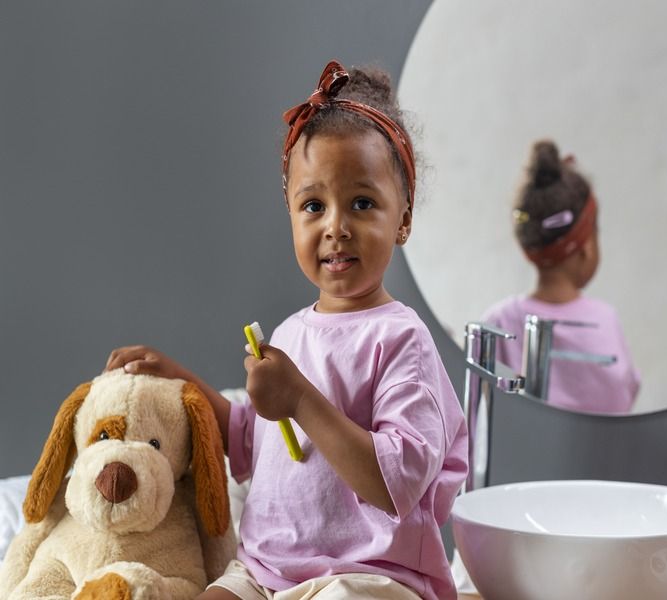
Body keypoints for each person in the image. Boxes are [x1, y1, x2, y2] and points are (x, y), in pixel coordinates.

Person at [105, 60, 468, 600]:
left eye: (362, 203)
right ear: (291, 214)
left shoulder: (401, 340)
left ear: (404, 218)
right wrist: (180, 380)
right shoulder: (292, 332)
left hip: (367, 575)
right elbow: (254, 440)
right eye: (313, 205)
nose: (336, 226)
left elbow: (396, 483)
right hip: (265, 570)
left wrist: (299, 398)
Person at [481, 140, 640, 414]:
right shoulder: (606, 320)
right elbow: (626, 397)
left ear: (527, 247)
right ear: (587, 247)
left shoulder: (498, 321)